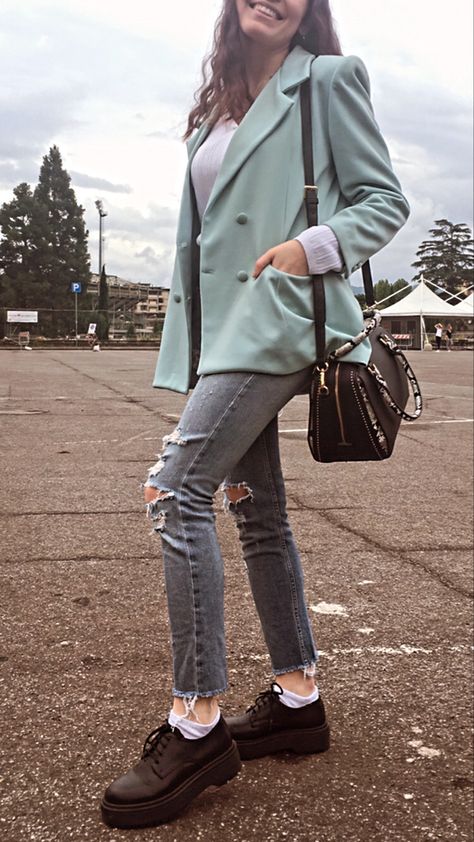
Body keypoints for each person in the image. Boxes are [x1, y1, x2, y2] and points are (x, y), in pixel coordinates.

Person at [101, 0, 410, 829]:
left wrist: (304, 250)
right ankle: (298, 697)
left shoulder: (329, 81)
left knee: (175, 493)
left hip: (276, 324)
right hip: (220, 332)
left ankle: (196, 720)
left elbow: (383, 201)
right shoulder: (216, 107)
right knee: (258, 513)